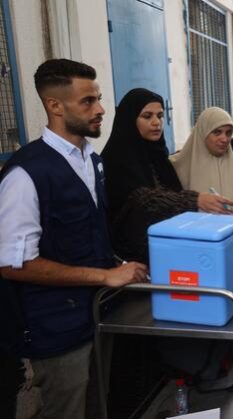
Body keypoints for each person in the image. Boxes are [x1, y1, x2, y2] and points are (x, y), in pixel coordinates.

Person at [0, 59, 147, 418]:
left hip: (96, 313)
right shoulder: (25, 173)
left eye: (98, 99)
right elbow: (13, 264)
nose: (99, 110)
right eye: (87, 102)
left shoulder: (91, 160)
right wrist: (104, 276)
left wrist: (115, 264)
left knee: (98, 405)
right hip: (56, 331)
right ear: (55, 106)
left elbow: (83, 234)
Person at [101, 88, 232, 264]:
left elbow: (171, 195)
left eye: (160, 116)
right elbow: (141, 201)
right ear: (130, 119)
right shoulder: (116, 158)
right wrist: (195, 200)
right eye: (147, 116)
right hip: (132, 261)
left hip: (165, 249)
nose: (156, 123)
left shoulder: (158, 156)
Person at [171, 107, 233, 221]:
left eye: (228, 133)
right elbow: (169, 203)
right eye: (217, 132)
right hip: (191, 234)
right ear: (203, 133)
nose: (224, 139)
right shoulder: (177, 165)